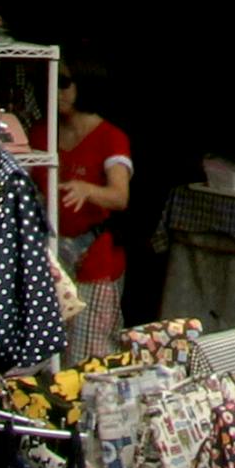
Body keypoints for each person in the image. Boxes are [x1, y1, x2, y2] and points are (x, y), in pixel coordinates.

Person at [54, 75, 135, 359]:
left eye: (64, 82)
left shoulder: (111, 138)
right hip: (49, 258)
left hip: (93, 258)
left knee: (89, 357)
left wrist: (86, 190)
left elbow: (119, 196)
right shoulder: (41, 132)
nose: (56, 90)